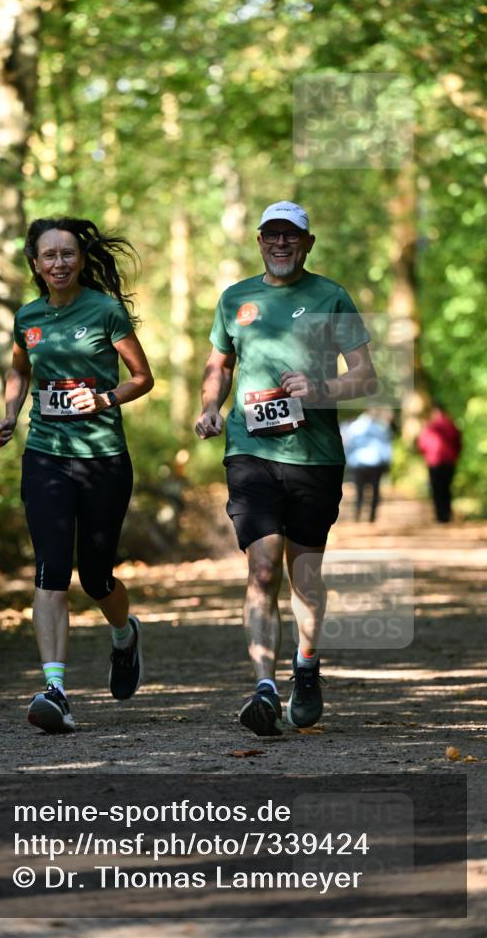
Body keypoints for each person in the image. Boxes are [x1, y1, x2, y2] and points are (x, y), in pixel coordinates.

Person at [195, 201, 377, 737]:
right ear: (258, 240)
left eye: (290, 236)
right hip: (249, 451)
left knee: (304, 574)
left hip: (314, 457)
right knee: (263, 569)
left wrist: (320, 390)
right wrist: (210, 406)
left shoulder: (331, 296)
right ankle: (264, 687)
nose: (280, 244)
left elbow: (365, 377)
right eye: (271, 235)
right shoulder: (235, 299)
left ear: (308, 242)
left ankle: (307, 664)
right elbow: (218, 364)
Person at [0, 217, 154, 733]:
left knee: (96, 576)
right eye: (48, 256)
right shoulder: (28, 317)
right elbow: (21, 369)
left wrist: (105, 397)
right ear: (34, 264)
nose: (58, 263)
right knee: (50, 570)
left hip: (103, 457)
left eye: (67, 254)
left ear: (80, 259)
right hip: (45, 454)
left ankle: (124, 635)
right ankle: (55, 690)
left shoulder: (105, 310)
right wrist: (11, 413)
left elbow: (143, 378)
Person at [341, 408, 393, 522]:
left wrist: (347, 461)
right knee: (375, 490)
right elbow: (386, 446)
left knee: (359, 491)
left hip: (358, 463)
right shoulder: (381, 428)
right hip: (376, 464)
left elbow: (347, 445)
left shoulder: (353, 427)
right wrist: (387, 462)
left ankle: (358, 514)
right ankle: (372, 517)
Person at [418, 403, 461, 523]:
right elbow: (458, 442)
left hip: (434, 461)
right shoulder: (451, 425)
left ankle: (440, 515)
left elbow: (422, 444)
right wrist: (455, 456)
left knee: (437, 488)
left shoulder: (430, 426)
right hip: (449, 461)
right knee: (446, 488)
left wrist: (426, 455)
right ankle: (446, 514)